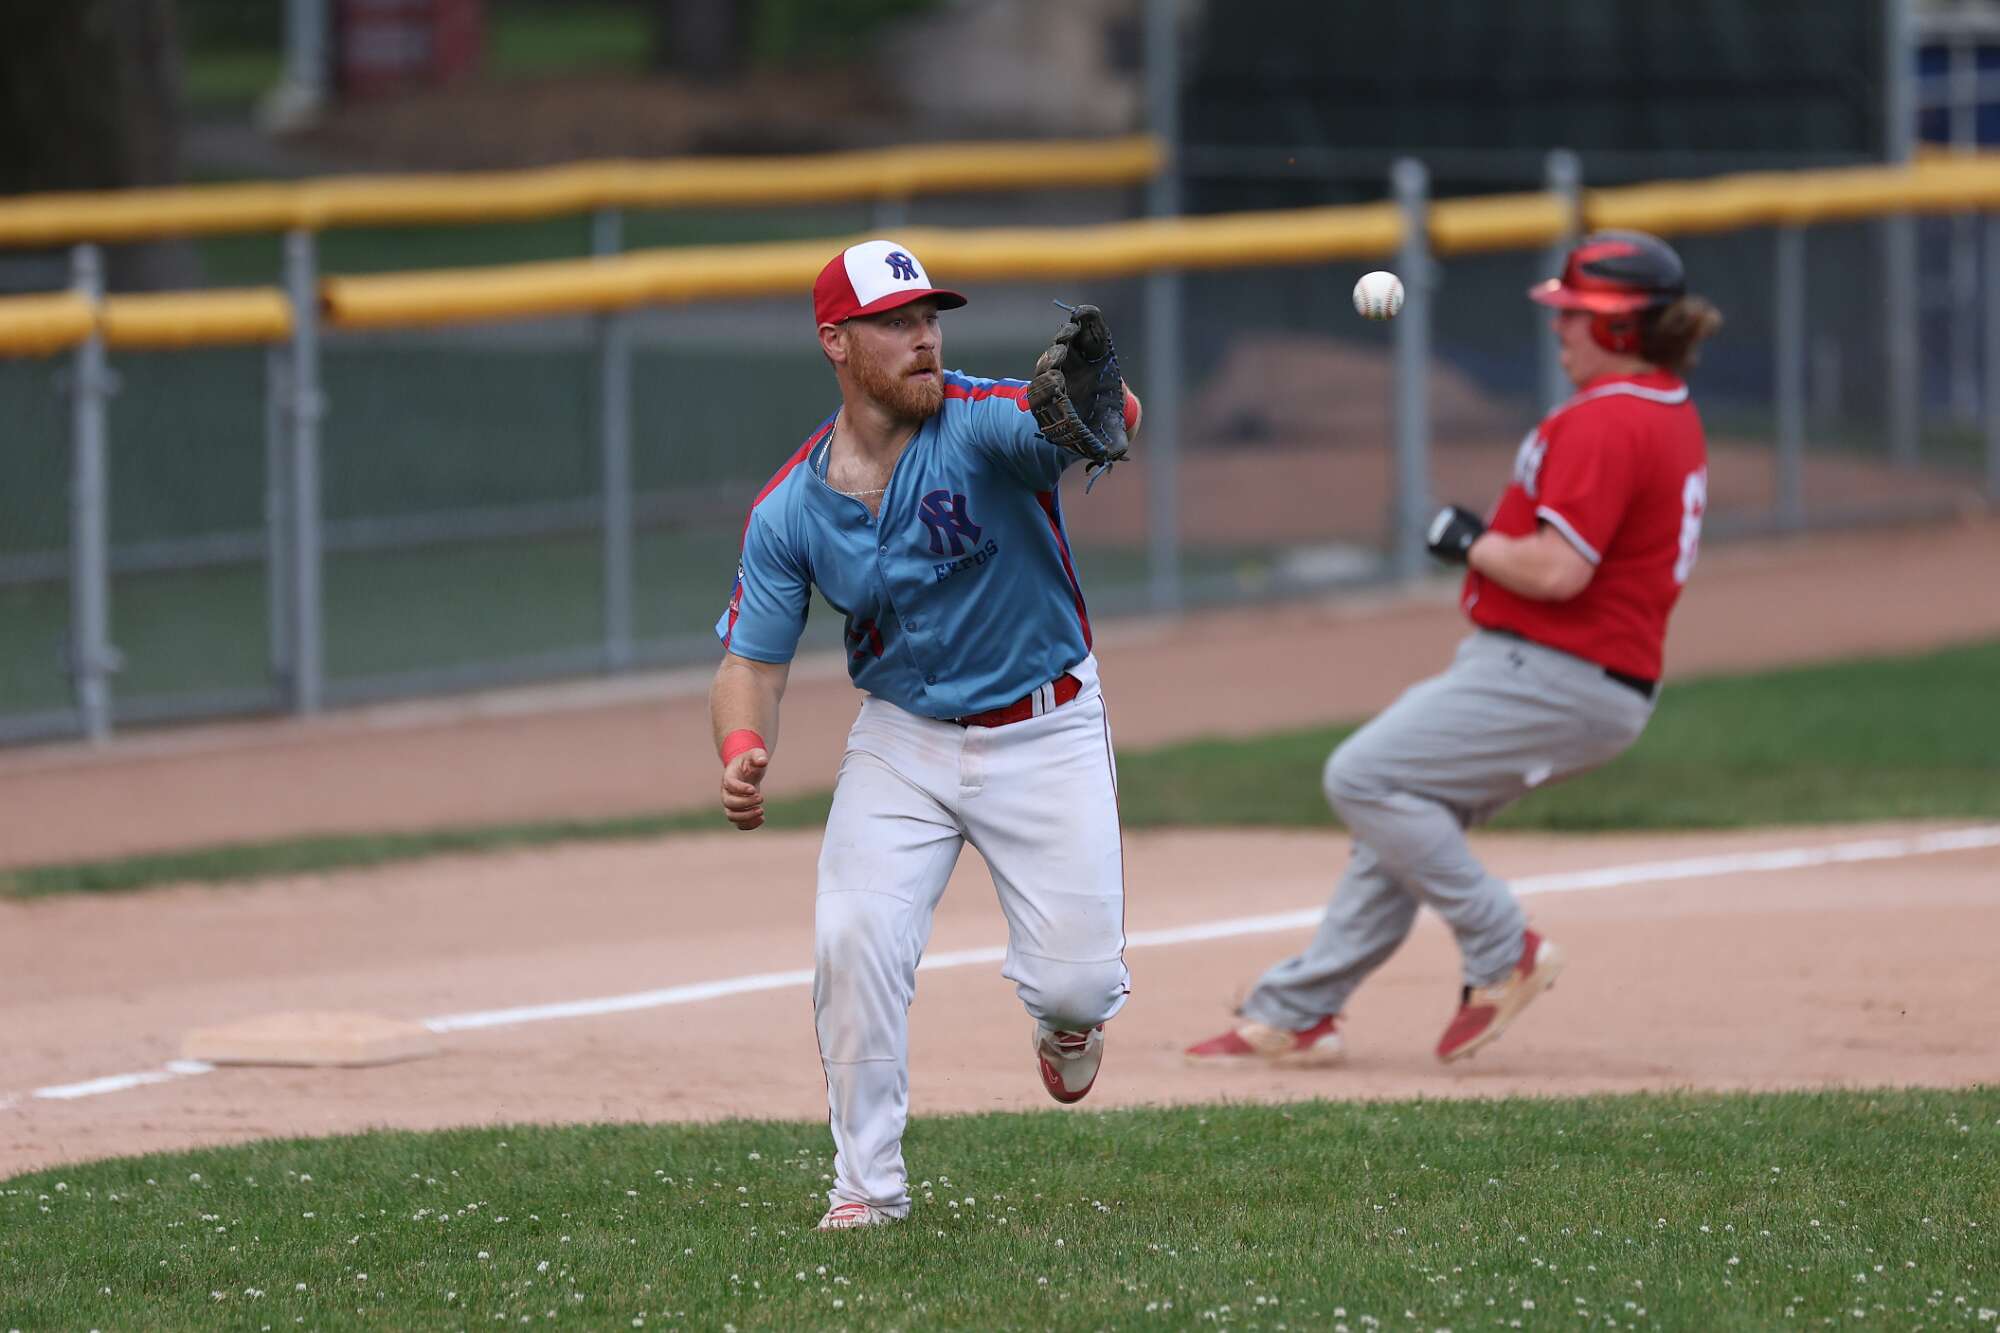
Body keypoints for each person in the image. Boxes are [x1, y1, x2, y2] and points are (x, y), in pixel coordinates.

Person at [1186, 230, 1722, 1070]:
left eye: (1576, 314)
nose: (1559, 326)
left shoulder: (1608, 420)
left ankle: (1502, 947)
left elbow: (1558, 570)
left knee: (1363, 776)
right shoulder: (1664, 407)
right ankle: (1295, 1014)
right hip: (1575, 670)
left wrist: (1469, 541)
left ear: (1621, 327)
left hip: (1556, 669)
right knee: (1399, 829)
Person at [709, 239, 1143, 1231]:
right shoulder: (790, 509)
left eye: (928, 318)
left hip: (1045, 725)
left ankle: (1067, 1028)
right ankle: (865, 1187)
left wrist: (1107, 405)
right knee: (851, 936)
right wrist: (740, 749)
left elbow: (1099, 421)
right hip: (902, 738)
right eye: (895, 323)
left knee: (1077, 986)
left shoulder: (982, 420)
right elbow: (750, 663)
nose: (924, 338)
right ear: (836, 342)